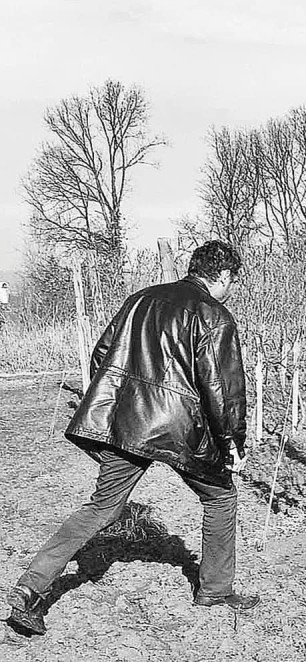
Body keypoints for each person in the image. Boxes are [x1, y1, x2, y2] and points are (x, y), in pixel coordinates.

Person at [7, 240, 260, 636]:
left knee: (101, 508)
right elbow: (221, 388)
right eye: (233, 281)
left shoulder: (140, 299)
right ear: (224, 275)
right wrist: (232, 440)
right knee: (221, 496)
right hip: (181, 430)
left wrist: (121, 402)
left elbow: (102, 354)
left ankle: (30, 587)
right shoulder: (214, 315)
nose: (232, 290)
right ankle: (214, 589)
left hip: (127, 422)